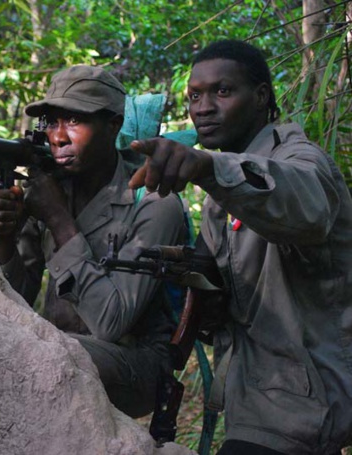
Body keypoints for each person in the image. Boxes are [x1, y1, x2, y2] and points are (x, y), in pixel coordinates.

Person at [128, 40, 352, 454]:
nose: (203, 107)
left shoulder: (300, 157)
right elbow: (226, 307)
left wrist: (207, 167)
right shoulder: (220, 195)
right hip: (255, 406)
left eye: (222, 91)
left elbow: (305, 204)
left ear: (262, 97)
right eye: (195, 95)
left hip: (303, 411)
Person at [0, 65, 188, 418]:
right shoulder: (49, 188)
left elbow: (112, 322)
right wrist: (4, 239)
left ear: (113, 125)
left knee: (45, 354)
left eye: (74, 121)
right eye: (50, 122)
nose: (58, 136)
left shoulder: (153, 201)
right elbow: (15, 299)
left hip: (136, 363)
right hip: (56, 348)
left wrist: (59, 220)